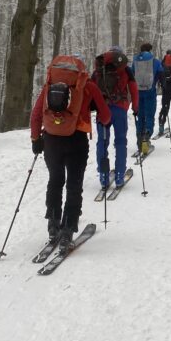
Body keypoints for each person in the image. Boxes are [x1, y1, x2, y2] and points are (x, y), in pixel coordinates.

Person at [31, 54, 111, 249]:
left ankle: (53, 223)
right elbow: (106, 116)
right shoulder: (87, 85)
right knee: (74, 184)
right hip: (77, 140)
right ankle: (68, 227)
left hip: (51, 140)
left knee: (55, 180)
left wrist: (35, 139)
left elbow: (36, 114)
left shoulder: (50, 85)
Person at [93, 47, 139, 189]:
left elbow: (91, 89)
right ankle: (119, 176)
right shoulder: (125, 69)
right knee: (120, 141)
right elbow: (133, 89)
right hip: (120, 109)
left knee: (102, 142)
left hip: (103, 111)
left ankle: (103, 176)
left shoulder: (99, 69)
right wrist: (135, 107)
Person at [132, 42, 163, 155]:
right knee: (149, 115)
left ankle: (139, 140)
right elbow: (161, 74)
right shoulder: (155, 61)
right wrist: (161, 84)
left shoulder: (135, 62)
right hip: (150, 92)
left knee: (140, 116)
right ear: (150, 50)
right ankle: (146, 137)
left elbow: (132, 75)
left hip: (138, 93)